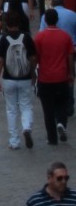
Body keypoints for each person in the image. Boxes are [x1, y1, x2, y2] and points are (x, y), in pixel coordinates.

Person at [0, 10, 37, 150]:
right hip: (24, 77)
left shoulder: (4, 39)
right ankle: (26, 127)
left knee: (11, 109)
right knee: (26, 105)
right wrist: (32, 73)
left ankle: (14, 141)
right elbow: (33, 58)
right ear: (19, 22)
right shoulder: (27, 37)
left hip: (8, 78)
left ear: (7, 24)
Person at [35, 8, 75, 146]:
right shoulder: (65, 36)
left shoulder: (39, 37)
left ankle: (52, 138)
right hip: (61, 76)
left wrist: (34, 74)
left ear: (45, 20)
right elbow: (70, 56)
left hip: (45, 78)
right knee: (62, 104)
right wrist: (70, 73)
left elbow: (35, 57)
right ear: (57, 20)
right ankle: (62, 124)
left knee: (48, 109)